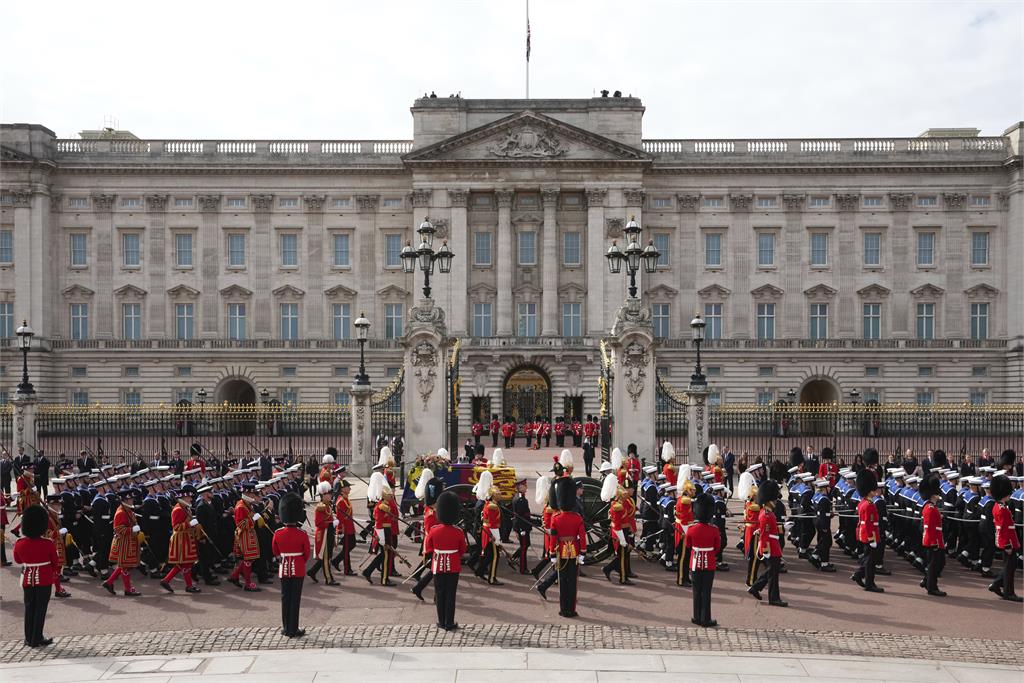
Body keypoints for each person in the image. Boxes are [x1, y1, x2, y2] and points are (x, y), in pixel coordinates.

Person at [537, 477, 587, 617]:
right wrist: (583, 552)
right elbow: (582, 537)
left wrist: (552, 553)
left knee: (563, 583)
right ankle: (571, 609)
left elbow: (553, 537)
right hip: (575, 552)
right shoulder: (578, 518)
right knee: (572, 583)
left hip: (560, 552)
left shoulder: (556, 518)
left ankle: (563, 609)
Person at [13, 504, 60, 647]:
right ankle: (37, 637)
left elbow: (18, 560)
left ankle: (28, 638)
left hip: (27, 578)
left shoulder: (20, 543)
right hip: (44, 578)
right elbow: (55, 562)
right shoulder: (48, 543)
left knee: (29, 607)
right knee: (40, 608)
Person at [425, 491, 467, 631]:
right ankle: (449, 622)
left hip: (437, 565)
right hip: (453, 565)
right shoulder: (458, 531)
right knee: (451, 594)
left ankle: (441, 621)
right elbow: (462, 550)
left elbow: (429, 547)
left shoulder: (434, 530)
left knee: (440, 593)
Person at [273, 492, 310, 638]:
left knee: (285, 598)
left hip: (283, 568)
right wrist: (299, 561)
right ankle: (293, 628)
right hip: (298, 568)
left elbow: (275, 551)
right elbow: (306, 554)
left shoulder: (278, 533)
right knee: (295, 599)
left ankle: (286, 627)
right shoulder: (302, 534)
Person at [747, 479, 786, 607]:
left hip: (773, 544)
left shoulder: (767, 513)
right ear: (769, 500)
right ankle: (773, 598)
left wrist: (785, 528)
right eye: (774, 499)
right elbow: (765, 535)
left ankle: (755, 588)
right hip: (771, 547)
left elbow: (770, 530)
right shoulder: (766, 515)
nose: (776, 501)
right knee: (773, 574)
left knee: (771, 571)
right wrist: (766, 550)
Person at [685, 494, 721, 627]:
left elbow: (688, 546)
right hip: (709, 563)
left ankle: (696, 617)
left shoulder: (691, 529)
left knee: (696, 591)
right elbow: (717, 548)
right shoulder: (714, 530)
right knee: (706, 591)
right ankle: (706, 618)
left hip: (694, 562)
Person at [160, 486, 202, 594]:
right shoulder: (178, 509)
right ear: (183, 498)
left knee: (185, 563)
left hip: (186, 538)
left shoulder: (186, 508)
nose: (191, 499)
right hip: (180, 539)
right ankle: (188, 586)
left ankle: (167, 580)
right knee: (185, 563)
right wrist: (189, 523)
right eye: (188, 497)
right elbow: (176, 527)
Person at [411, 470, 445, 600]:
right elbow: (432, 533)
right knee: (436, 571)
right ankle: (433, 594)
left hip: (436, 545)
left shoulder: (432, 510)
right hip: (433, 545)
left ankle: (418, 588)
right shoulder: (431, 514)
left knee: (435, 571)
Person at [103, 488, 143, 596]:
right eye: (130, 499)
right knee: (125, 566)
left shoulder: (128, 510)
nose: (132, 501)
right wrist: (132, 530)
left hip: (130, 542)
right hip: (124, 543)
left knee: (124, 566)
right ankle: (128, 589)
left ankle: (109, 582)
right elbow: (118, 529)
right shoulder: (121, 512)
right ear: (124, 500)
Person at [988, 474, 1022, 602]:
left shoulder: (999, 506)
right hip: (1008, 542)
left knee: (1010, 565)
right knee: (1010, 567)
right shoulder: (1001, 509)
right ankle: (1009, 592)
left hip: (1007, 540)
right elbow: (1003, 528)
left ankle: (997, 584)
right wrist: (1007, 545)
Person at [850, 469, 885, 593]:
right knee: (871, 561)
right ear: (870, 490)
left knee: (868, 558)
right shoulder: (869, 505)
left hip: (865, 533)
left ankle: (859, 575)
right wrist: (872, 538)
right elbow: (869, 523)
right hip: (870, 534)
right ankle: (869, 583)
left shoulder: (863, 502)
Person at [363, 471, 397, 586]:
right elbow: (378, 523)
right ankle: (384, 580)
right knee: (387, 555)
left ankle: (368, 571)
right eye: (389, 494)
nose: (391, 495)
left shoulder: (385, 505)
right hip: (383, 532)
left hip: (386, 531)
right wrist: (382, 538)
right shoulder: (381, 506)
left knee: (384, 555)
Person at [228, 483, 263, 592]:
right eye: (252, 493)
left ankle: (234, 576)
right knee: (248, 559)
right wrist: (253, 519)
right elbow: (240, 524)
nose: (254, 496)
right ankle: (247, 583)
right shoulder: (241, 506)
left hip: (249, 534)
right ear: (247, 493)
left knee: (248, 559)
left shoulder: (247, 504)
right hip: (244, 535)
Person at [474, 470, 504, 585]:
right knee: (495, 556)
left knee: (489, 555)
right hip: (491, 532)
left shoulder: (489, 503)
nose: (500, 494)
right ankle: (492, 578)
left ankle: (479, 571)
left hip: (488, 531)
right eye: (498, 493)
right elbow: (493, 524)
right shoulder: (492, 506)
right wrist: (497, 538)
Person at [601, 473, 633, 585]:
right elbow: (617, 524)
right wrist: (623, 540)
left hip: (623, 532)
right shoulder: (617, 507)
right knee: (622, 556)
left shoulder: (620, 504)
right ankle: (623, 578)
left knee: (622, 555)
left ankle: (608, 569)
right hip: (619, 533)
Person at [918, 474, 946, 597]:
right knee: (935, 564)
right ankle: (932, 587)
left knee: (939, 563)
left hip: (936, 539)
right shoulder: (930, 508)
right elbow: (928, 527)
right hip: (933, 540)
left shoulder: (932, 507)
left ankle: (926, 581)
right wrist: (934, 542)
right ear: (933, 493)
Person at [306, 482, 339, 585]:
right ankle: (329, 579)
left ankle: (312, 571)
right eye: (329, 494)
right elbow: (318, 523)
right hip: (323, 534)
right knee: (325, 557)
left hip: (329, 533)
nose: (331, 495)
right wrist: (331, 524)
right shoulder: (320, 507)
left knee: (328, 556)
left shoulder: (328, 505)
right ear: (323, 495)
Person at [331, 480, 357, 576]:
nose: (350, 488)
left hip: (350, 527)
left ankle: (336, 561)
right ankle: (347, 569)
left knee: (351, 545)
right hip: (345, 528)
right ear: (343, 489)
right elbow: (340, 517)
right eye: (348, 487)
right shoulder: (341, 501)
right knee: (347, 548)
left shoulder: (345, 499)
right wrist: (340, 529)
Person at [511, 478, 532, 574]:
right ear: (519, 487)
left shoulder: (521, 497)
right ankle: (523, 568)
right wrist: (521, 529)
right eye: (524, 485)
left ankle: (514, 557)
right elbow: (519, 516)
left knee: (526, 544)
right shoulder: (520, 499)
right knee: (524, 547)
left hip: (525, 525)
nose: (526, 487)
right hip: (522, 527)